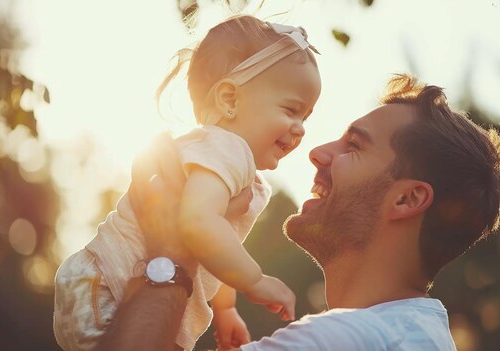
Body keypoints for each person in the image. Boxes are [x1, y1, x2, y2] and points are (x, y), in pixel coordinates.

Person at [95, 74, 500, 351]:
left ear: (407, 200)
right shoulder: (407, 337)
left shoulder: (344, 341)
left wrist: (169, 257)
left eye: (354, 146)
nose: (317, 152)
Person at [53, 15, 322, 351]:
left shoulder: (224, 161)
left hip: (111, 289)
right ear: (230, 100)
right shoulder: (227, 149)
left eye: (306, 116)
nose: (300, 128)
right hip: (110, 288)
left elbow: (216, 243)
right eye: (291, 110)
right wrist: (255, 280)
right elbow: (198, 224)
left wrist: (224, 310)